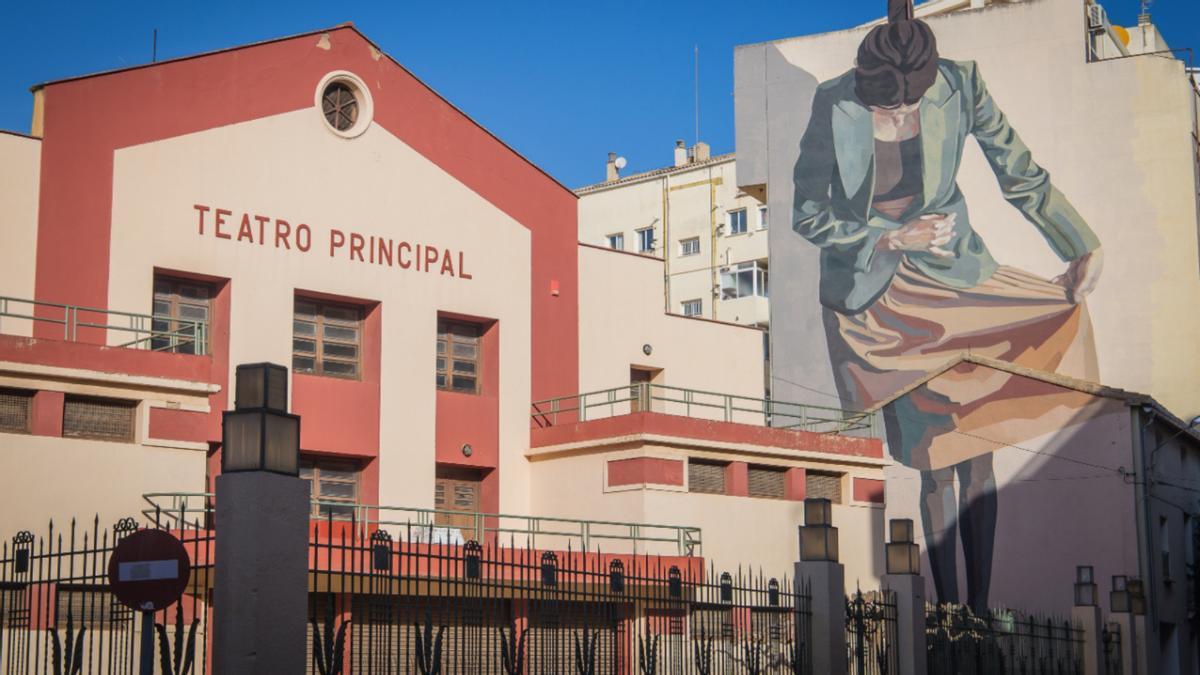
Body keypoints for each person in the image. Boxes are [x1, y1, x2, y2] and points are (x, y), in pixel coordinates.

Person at [791, 16, 1102, 613]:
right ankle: (948, 612)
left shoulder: (963, 82)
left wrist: (1079, 244)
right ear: (864, 88)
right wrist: (887, 238)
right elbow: (806, 213)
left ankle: (979, 611)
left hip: (957, 282)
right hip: (879, 301)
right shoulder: (832, 102)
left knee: (978, 453)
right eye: (888, 111)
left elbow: (1018, 171)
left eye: (912, 106)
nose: (902, 118)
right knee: (933, 460)